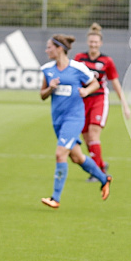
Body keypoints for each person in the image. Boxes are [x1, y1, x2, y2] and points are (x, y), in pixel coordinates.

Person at [40, 34, 112, 209]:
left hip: (74, 118)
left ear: (59, 49)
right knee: (77, 157)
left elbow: (95, 83)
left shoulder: (77, 68)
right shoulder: (47, 70)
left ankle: (55, 198)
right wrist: (51, 88)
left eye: (49, 47)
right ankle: (104, 178)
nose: (46, 50)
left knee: (60, 154)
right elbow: (42, 95)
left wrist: (86, 92)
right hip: (58, 120)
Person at [74, 23, 131, 181]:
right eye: (91, 42)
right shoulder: (80, 58)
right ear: (88, 42)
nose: (93, 44)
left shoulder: (107, 61)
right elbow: (73, 77)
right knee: (86, 138)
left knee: (93, 134)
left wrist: (124, 105)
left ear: (100, 43)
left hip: (99, 99)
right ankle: (100, 165)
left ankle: (98, 172)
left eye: (96, 42)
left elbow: (115, 83)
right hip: (83, 100)